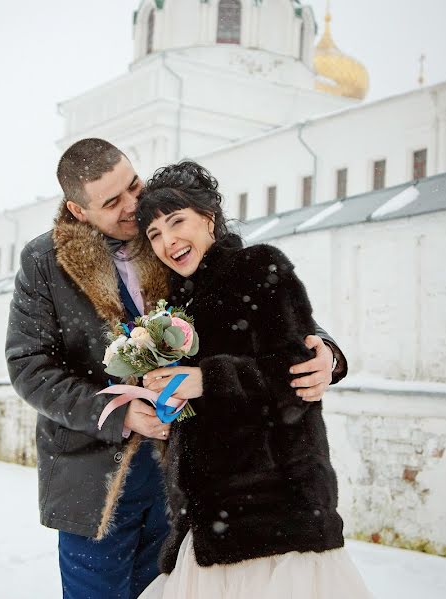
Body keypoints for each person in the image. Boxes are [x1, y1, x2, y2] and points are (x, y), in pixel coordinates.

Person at [5, 139, 348, 599]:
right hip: (95, 477)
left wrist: (326, 350)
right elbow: (29, 366)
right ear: (78, 209)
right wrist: (115, 413)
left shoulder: (169, 235)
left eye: (134, 185)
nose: (133, 206)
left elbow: (261, 302)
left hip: (183, 481)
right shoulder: (43, 261)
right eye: (112, 202)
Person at [134, 160, 371, 599]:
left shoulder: (260, 269)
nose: (168, 241)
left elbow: (296, 380)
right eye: (154, 234)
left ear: (208, 217)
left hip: (276, 522)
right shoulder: (172, 306)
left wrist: (208, 380)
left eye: (176, 221)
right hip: (209, 524)